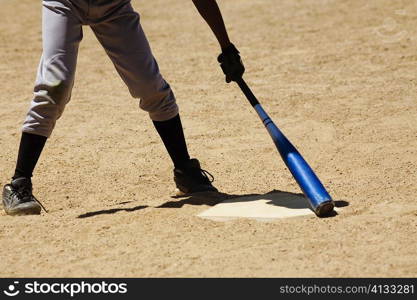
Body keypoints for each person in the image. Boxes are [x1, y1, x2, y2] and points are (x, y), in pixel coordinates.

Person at [2, 0, 245, 216]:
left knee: (151, 87)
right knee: (55, 88)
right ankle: (19, 183)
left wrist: (226, 46)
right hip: (65, 3)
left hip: (113, 6)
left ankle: (186, 171)